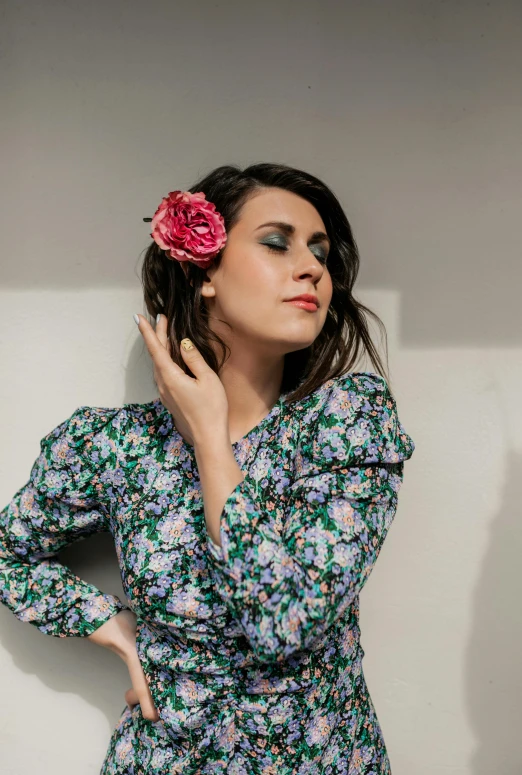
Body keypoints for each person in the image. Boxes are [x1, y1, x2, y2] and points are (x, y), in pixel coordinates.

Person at [0, 162, 415, 774]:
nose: (313, 268)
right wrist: (118, 631)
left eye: (321, 253)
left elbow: (285, 624)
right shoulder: (113, 445)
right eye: (278, 243)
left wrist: (210, 445)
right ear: (205, 275)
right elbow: (9, 553)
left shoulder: (346, 423)